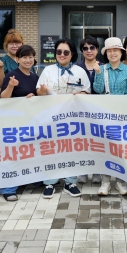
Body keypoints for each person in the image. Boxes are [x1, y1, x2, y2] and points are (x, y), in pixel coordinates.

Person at [36, 38, 89, 199]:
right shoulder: (48, 71)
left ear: (72, 54)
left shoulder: (80, 71)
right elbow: (39, 92)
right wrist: (42, 92)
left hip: (73, 119)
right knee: (51, 149)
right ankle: (50, 183)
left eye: (66, 52)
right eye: (59, 51)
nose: (62, 54)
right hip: (51, 118)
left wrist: (81, 93)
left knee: (71, 149)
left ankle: (70, 182)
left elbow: (87, 91)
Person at [92, 37, 127, 196]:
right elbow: (98, 90)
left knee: (121, 149)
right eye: (109, 51)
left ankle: (120, 182)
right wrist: (97, 73)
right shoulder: (102, 69)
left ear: (121, 52)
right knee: (105, 149)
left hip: (122, 116)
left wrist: (120, 107)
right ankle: (105, 182)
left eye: (115, 50)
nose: (112, 53)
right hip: (104, 115)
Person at [0, 45, 39, 201]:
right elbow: (3, 98)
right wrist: (10, 86)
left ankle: (29, 179)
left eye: (30, 57)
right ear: (17, 59)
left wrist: (35, 96)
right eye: (24, 57)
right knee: (14, 153)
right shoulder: (12, 75)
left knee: (29, 151)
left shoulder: (35, 77)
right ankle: (8, 189)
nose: (28, 60)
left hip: (30, 121)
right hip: (13, 122)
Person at [75, 35, 102, 184]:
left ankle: (97, 171)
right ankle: (83, 171)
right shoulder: (76, 68)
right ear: (82, 51)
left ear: (97, 49)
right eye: (85, 48)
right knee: (82, 141)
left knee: (98, 141)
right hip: (80, 111)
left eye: (92, 47)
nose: (89, 50)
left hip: (99, 110)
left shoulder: (104, 67)